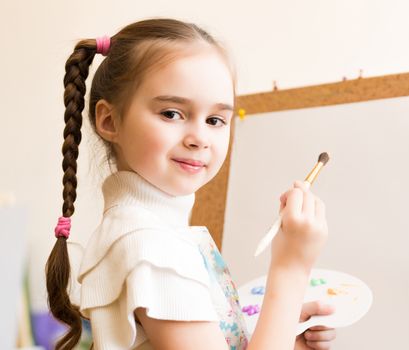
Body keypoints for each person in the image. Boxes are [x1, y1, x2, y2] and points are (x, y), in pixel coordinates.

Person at [46, 18, 335, 350]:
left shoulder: (149, 233)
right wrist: (292, 267)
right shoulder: (150, 247)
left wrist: (282, 335)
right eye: (171, 113)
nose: (200, 138)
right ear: (109, 120)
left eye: (215, 120)